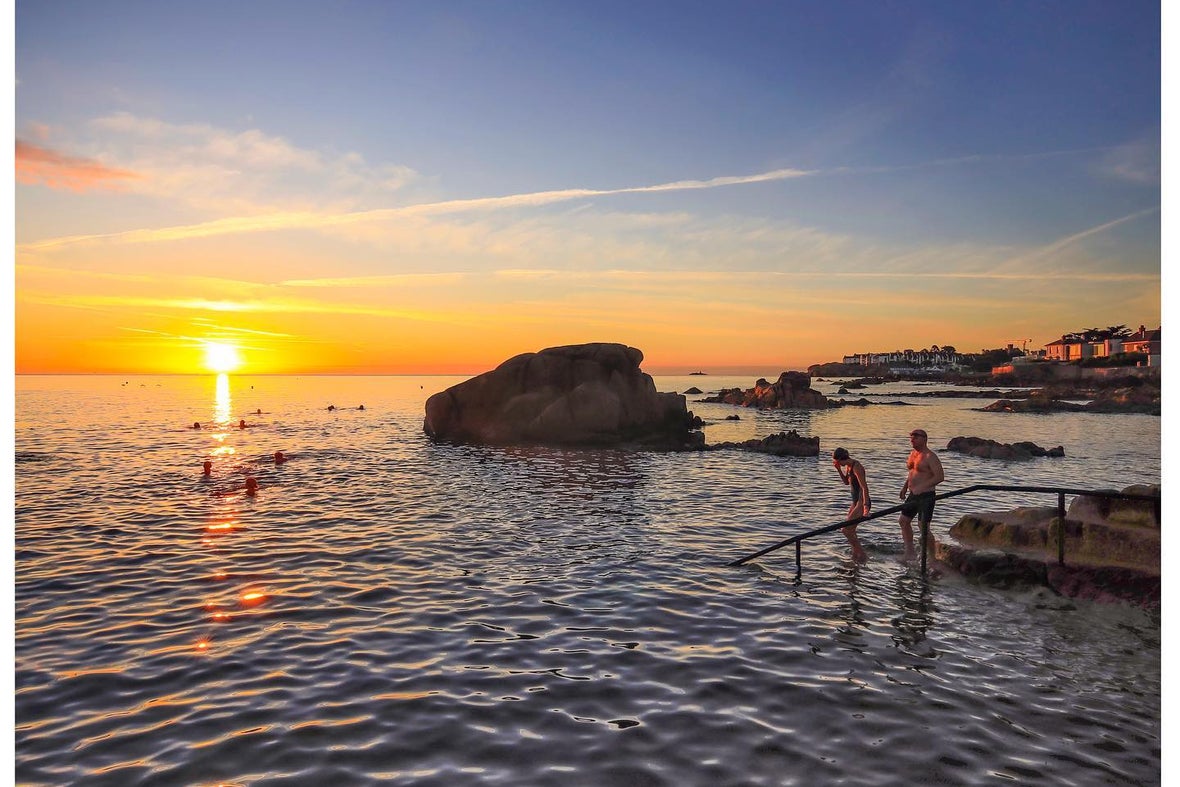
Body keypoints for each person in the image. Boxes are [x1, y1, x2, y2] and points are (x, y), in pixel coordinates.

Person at [898, 428, 945, 561]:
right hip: (913, 494)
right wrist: (904, 487)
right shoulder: (913, 454)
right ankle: (910, 551)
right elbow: (912, 473)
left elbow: (940, 477)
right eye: (911, 437)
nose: (912, 439)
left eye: (916, 437)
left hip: (926, 496)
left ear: (924, 439)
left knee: (923, 527)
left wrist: (922, 486)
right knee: (903, 521)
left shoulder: (930, 456)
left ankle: (932, 558)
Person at [832, 447, 870, 562]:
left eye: (836, 461)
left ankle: (862, 555)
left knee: (845, 530)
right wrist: (839, 470)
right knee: (850, 530)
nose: (835, 463)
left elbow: (864, 487)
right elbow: (846, 482)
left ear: (839, 459)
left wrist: (865, 507)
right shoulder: (848, 467)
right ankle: (855, 555)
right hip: (855, 502)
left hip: (861, 501)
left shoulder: (857, 466)